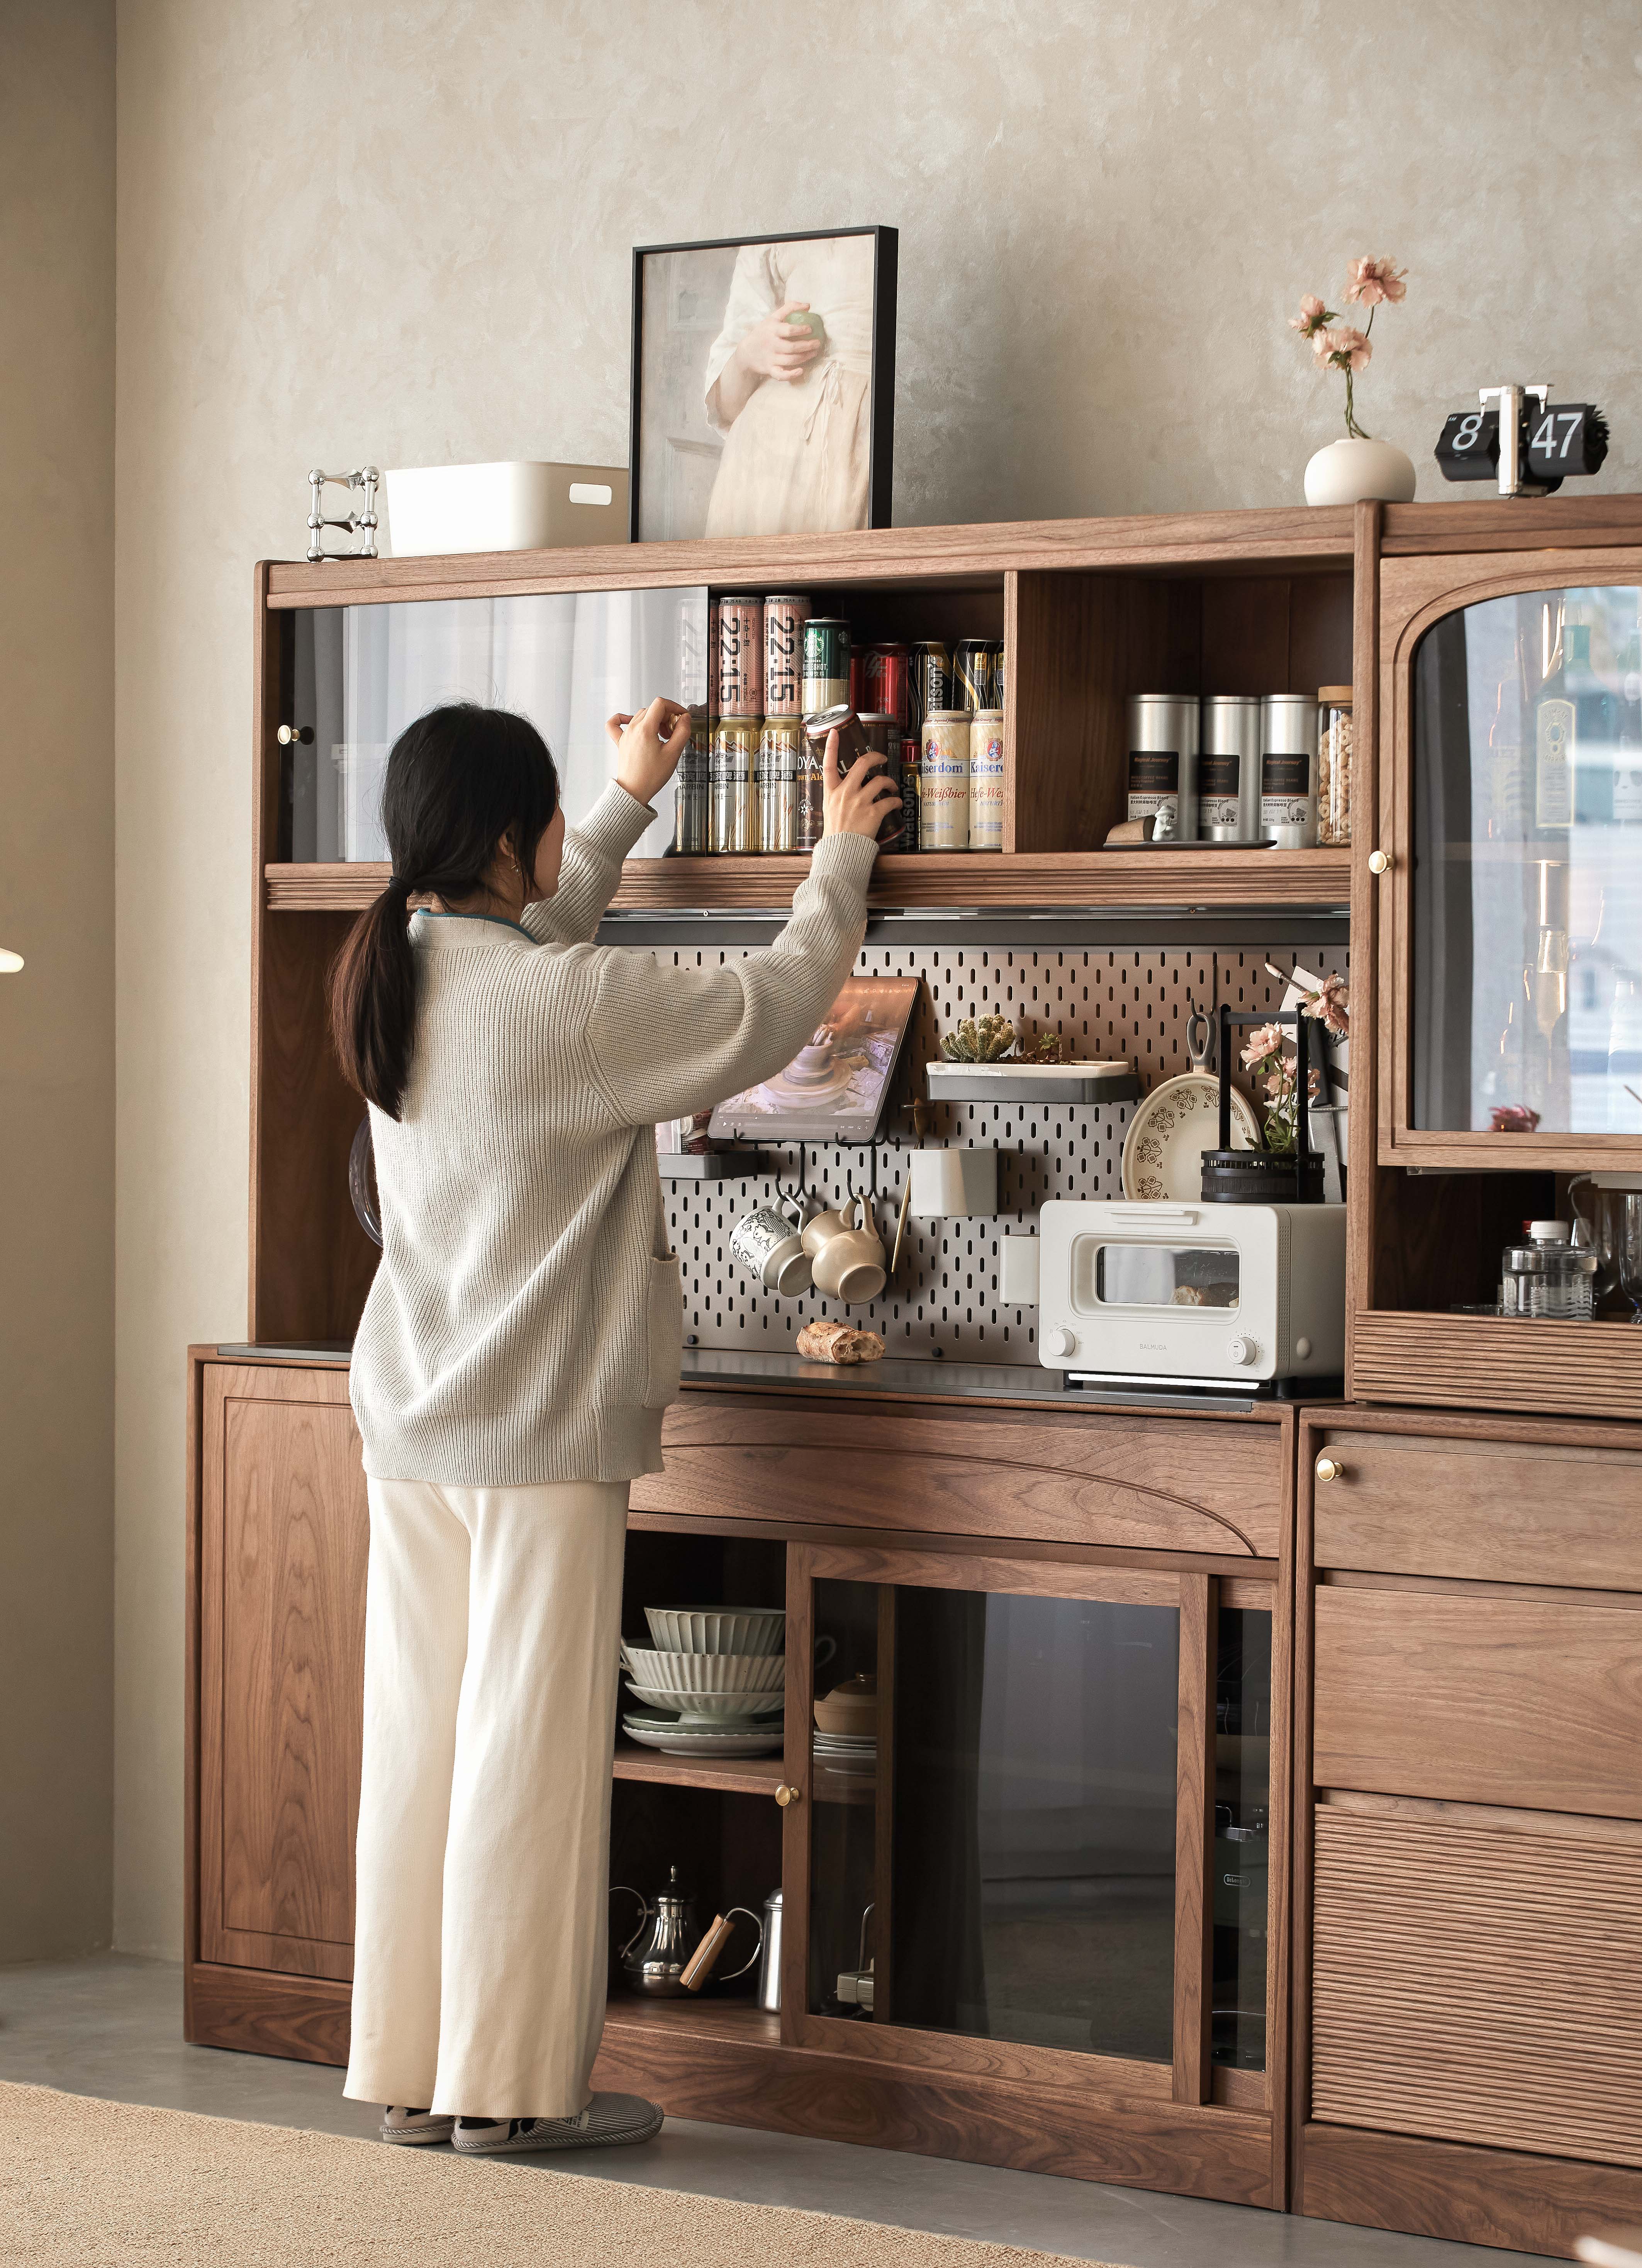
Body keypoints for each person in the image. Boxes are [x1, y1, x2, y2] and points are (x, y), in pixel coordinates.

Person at [328, 696, 896, 2155]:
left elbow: (537, 935)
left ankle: (411, 2070)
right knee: (525, 1754)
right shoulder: (561, 1008)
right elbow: (770, 1004)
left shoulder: (397, 963)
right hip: (536, 1433)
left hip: (413, 1419)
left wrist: (627, 800)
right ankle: (511, 2093)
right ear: (511, 838)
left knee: (423, 1746)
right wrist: (836, 855)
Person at [702, 234, 875, 537]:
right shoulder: (773, 224)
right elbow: (727, 409)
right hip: (766, 463)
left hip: (867, 441)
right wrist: (748, 354)